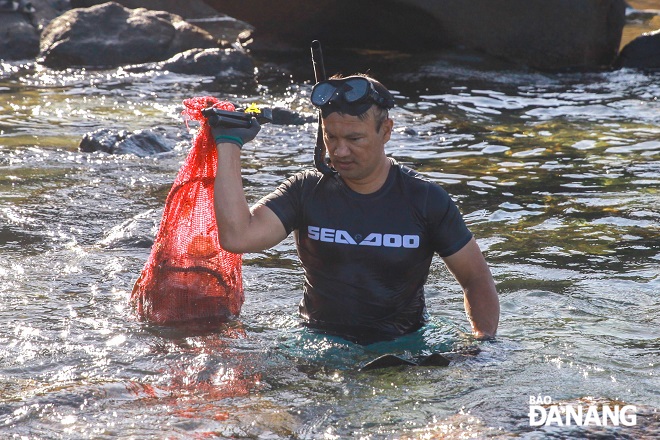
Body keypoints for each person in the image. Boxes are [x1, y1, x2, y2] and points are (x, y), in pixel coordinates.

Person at [211, 74, 499, 345]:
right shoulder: (306, 190)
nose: (339, 151)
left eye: (354, 139)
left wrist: (483, 343)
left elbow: (476, 278)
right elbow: (238, 237)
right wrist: (229, 142)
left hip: (403, 347)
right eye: (331, 137)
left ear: (386, 131)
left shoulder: (425, 199)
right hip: (317, 341)